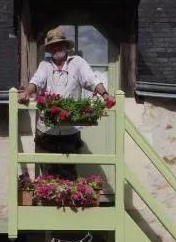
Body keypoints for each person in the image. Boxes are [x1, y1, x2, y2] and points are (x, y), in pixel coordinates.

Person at [18, 27, 116, 178]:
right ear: (49, 49)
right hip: (46, 129)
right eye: (53, 45)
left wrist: (105, 95)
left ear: (65, 46)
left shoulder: (78, 63)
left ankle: (69, 201)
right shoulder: (45, 64)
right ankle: (48, 201)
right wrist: (26, 93)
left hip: (69, 130)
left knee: (68, 172)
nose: (56, 48)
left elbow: (91, 80)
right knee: (48, 172)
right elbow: (36, 81)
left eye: (59, 44)